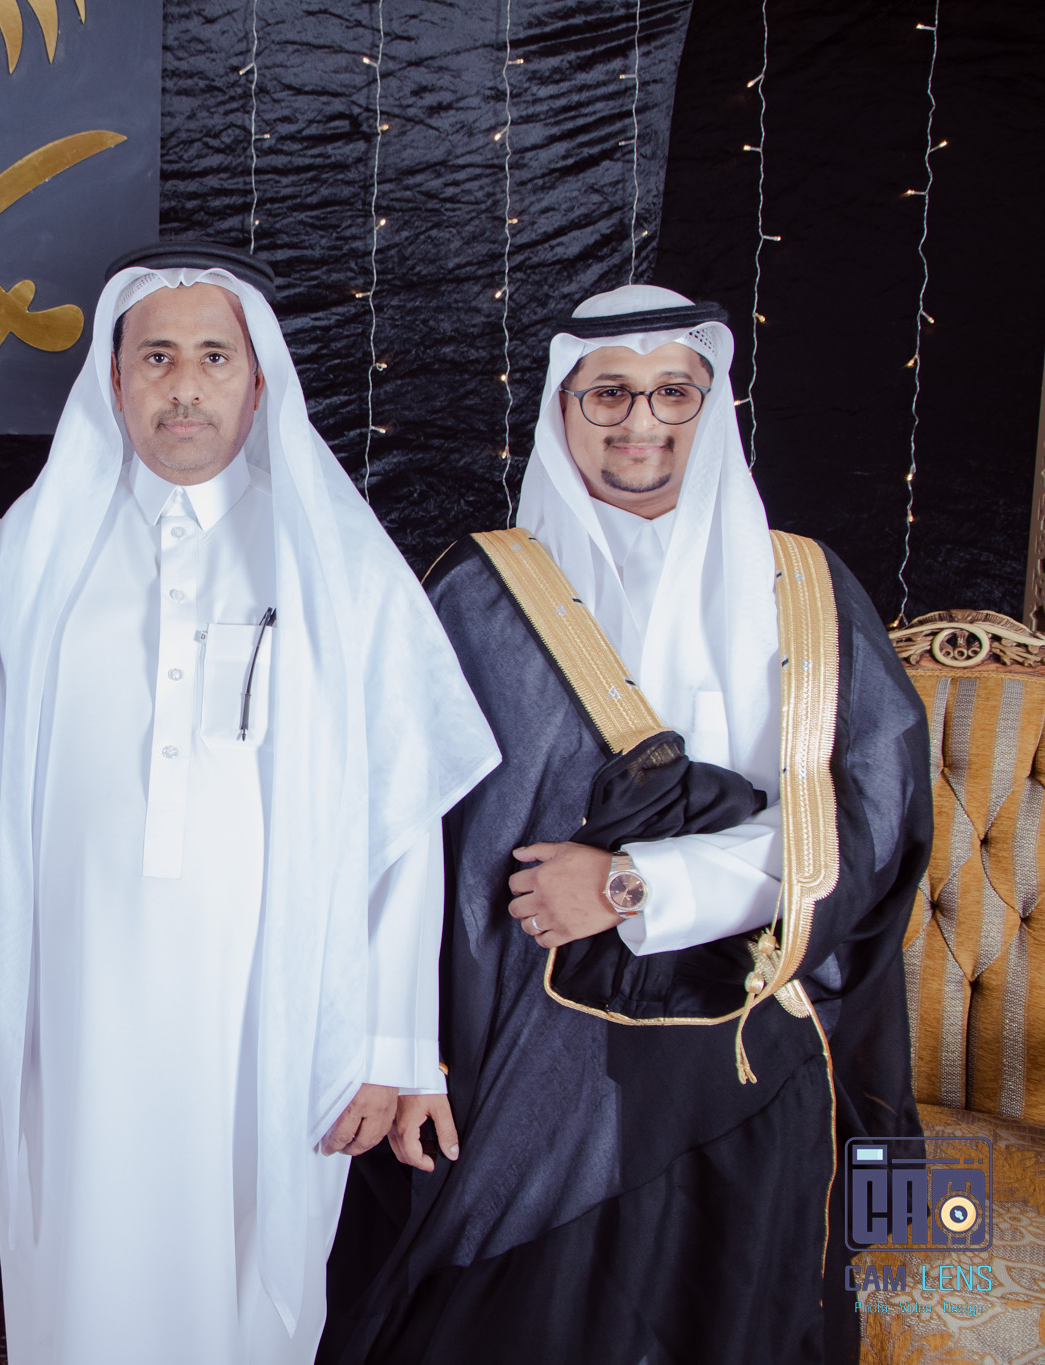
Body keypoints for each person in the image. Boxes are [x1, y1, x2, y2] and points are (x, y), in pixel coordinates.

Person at [331, 285, 930, 1365]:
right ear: (561, 410)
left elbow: (869, 824)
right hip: (526, 1034)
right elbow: (406, 837)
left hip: (752, 1029)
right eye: (607, 393)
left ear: (710, 407)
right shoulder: (479, 591)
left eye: (671, 393)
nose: (640, 420)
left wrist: (631, 884)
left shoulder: (804, 587)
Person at [0, 242, 498, 1365]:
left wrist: (394, 1041)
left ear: (258, 380)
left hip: (269, 1001)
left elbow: (403, 823)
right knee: (78, 1263)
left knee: (246, 1279)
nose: (184, 385)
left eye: (214, 357)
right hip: (74, 997)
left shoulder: (333, 561)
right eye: (156, 357)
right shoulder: (36, 548)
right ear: (113, 378)